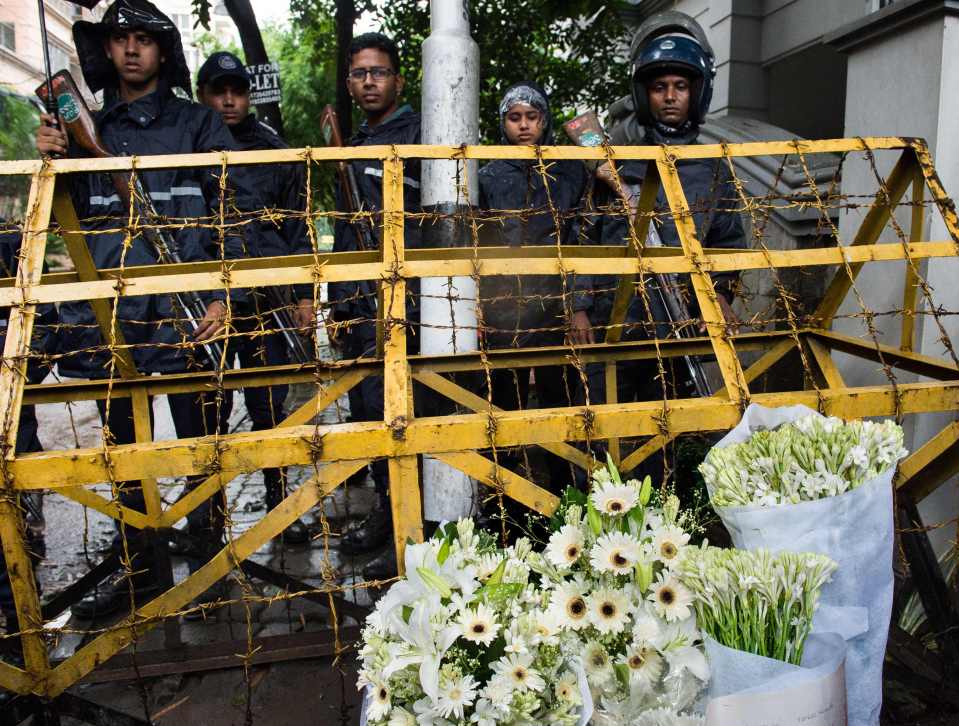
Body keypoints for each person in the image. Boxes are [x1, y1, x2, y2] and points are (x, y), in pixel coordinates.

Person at [35, 0, 255, 618]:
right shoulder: (89, 133)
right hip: (111, 316)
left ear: (163, 52)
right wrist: (55, 159)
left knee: (200, 437)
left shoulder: (198, 125)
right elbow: (65, 219)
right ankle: (142, 564)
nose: (131, 49)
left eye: (144, 39)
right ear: (106, 51)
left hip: (187, 313)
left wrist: (224, 294)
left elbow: (231, 214)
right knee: (123, 447)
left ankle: (209, 559)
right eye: (120, 39)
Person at [577, 12, 744, 475]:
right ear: (643, 93)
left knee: (665, 434)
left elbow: (729, 241)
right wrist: (578, 307)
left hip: (678, 323)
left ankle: (660, 529)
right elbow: (582, 237)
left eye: (680, 87)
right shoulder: (614, 160)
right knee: (598, 435)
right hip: (613, 323)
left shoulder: (713, 166)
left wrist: (722, 296)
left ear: (697, 93)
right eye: (659, 87)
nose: (670, 97)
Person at [196, 51, 311, 545]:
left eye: (237, 91)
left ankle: (282, 506)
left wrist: (303, 295)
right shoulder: (190, 145)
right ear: (203, 95)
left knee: (268, 406)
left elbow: (297, 225)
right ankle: (206, 519)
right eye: (218, 90)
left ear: (248, 95)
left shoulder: (273, 149)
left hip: (265, 298)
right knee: (206, 409)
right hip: (206, 300)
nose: (228, 100)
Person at [328, 32, 421, 581]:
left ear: (397, 81)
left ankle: (413, 532)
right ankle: (387, 514)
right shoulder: (358, 141)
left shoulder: (420, 135)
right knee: (369, 413)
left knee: (406, 416)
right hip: (361, 305)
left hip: (409, 303)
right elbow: (345, 236)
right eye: (360, 73)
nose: (369, 82)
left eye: (378, 73)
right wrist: (338, 300)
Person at [476, 81, 589, 501]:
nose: (523, 126)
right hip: (502, 306)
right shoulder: (486, 172)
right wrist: (477, 309)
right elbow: (476, 240)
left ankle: (565, 494)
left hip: (553, 305)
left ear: (544, 120)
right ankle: (506, 498)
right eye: (514, 117)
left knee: (558, 398)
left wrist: (578, 305)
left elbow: (578, 237)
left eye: (532, 117)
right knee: (504, 402)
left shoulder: (567, 169)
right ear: (503, 122)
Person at [0, 218, 56, 661]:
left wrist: (22, 375)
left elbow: (49, 316)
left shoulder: (10, 241)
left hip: (11, 418)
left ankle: (25, 641)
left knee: (17, 534)